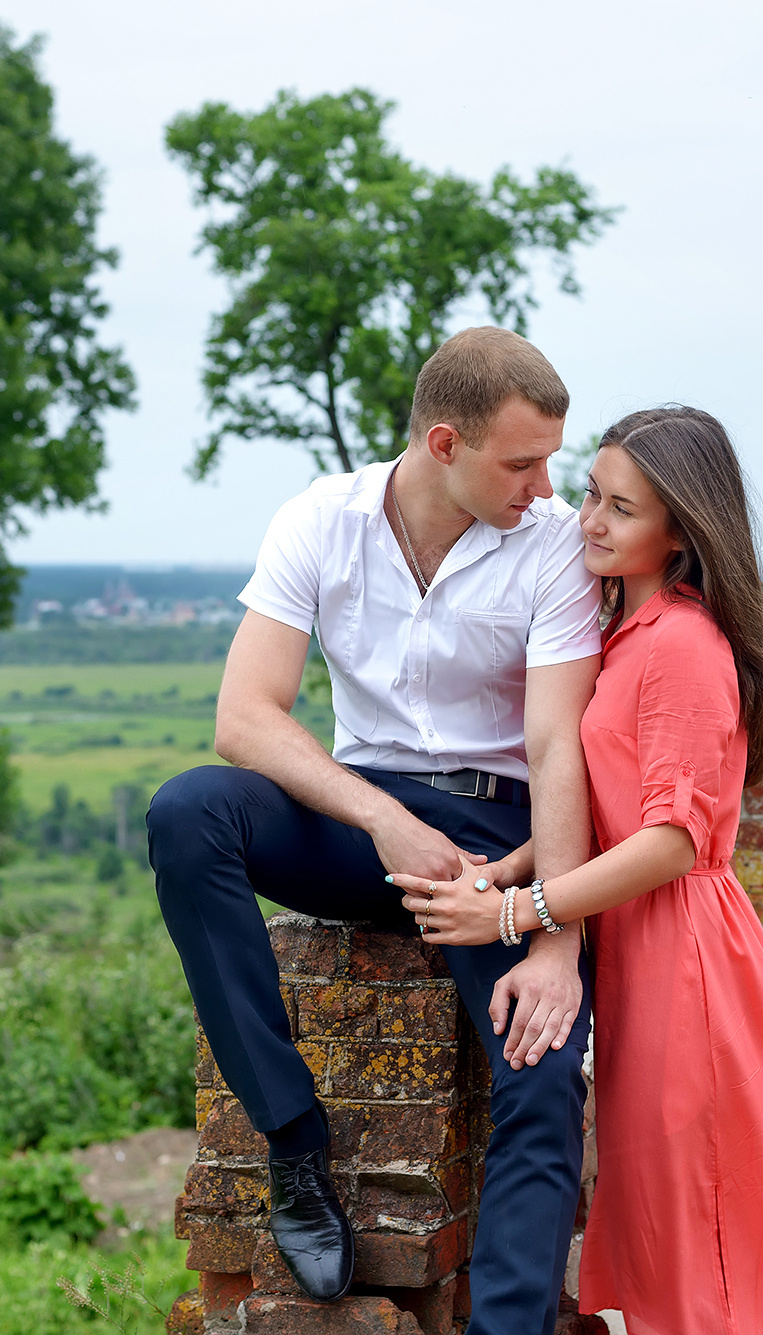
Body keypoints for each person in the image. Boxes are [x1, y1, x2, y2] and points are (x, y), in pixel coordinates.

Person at [395, 407, 763, 1334]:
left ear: (681, 530)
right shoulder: (627, 628)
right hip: (641, 950)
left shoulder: (682, 644)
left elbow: (672, 840)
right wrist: (503, 869)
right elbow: (607, 799)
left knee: (700, 1226)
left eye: (620, 508)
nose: (588, 519)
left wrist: (518, 913)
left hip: (685, 960)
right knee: (675, 1220)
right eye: (591, 493)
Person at [146, 326, 604, 1330]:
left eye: (550, 461)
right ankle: (292, 1138)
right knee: (187, 812)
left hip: (497, 844)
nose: (544, 486)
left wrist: (554, 934)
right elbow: (243, 718)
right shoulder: (322, 519)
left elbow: (557, 744)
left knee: (539, 1071)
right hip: (364, 819)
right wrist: (381, 818)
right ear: (445, 444)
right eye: (521, 463)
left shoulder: (552, 544)